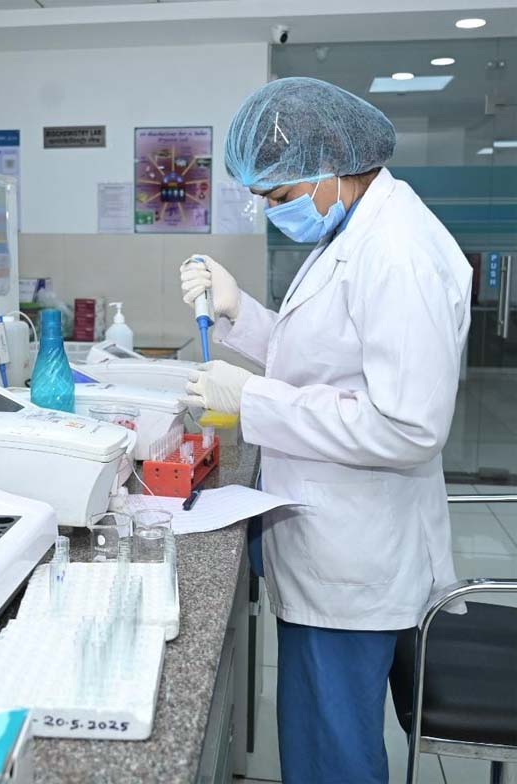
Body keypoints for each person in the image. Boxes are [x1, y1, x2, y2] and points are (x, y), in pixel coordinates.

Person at [179, 77, 472, 784]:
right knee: (324, 747)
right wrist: (240, 312)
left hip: (353, 563)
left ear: (331, 166)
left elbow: (407, 426)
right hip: (337, 539)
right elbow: (331, 359)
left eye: (279, 195)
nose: (272, 211)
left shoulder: (397, 252)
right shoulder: (358, 226)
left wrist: (252, 401)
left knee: (332, 761)